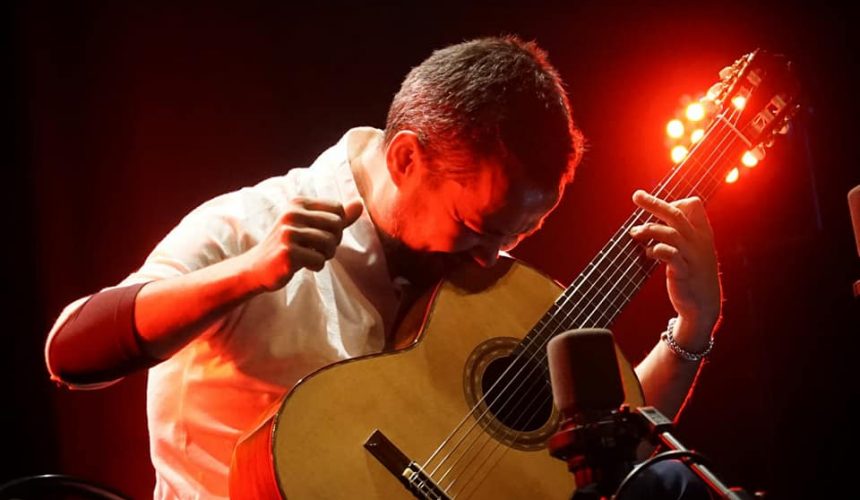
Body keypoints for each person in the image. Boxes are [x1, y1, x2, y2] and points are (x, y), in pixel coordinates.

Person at [45, 36, 720, 499]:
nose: (493, 258)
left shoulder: (478, 281)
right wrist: (246, 275)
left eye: (518, 234)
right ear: (405, 159)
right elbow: (70, 350)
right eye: (476, 227)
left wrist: (691, 328)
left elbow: (589, 456)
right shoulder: (249, 225)